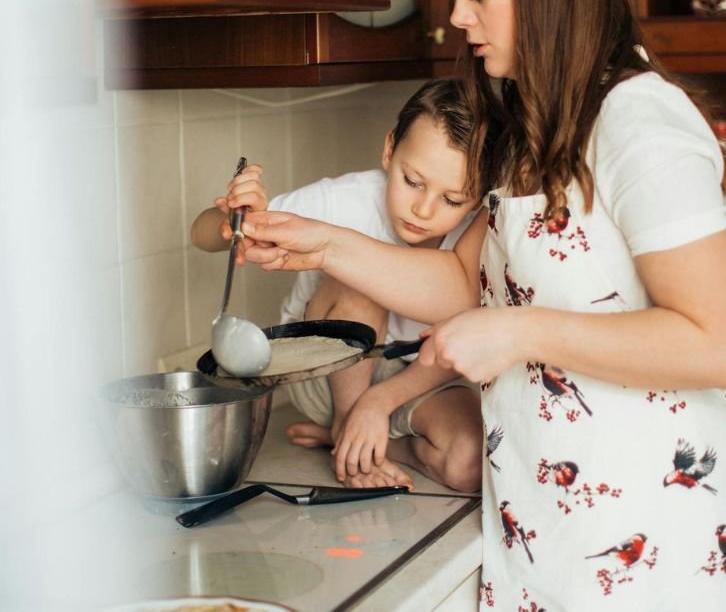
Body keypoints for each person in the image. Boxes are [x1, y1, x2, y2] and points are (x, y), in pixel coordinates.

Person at [235, 0, 726, 609]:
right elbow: (465, 285)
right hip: (548, 523)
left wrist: (518, 332)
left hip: (656, 532)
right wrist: (322, 243)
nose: (460, 17)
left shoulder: (637, 123)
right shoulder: (530, 127)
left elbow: (719, 346)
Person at [191, 79, 498, 493]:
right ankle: (348, 424)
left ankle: (355, 440)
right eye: (412, 181)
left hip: (423, 376)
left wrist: (380, 402)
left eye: (453, 200)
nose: (423, 210)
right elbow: (201, 233)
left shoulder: (477, 235)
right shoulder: (344, 200)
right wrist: (237, 219)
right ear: (389, 150)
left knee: (470, 462)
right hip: (327, 373)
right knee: (360, 285)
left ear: (478, 199)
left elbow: (466, 337)